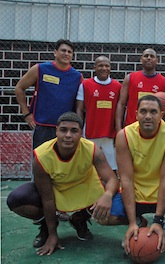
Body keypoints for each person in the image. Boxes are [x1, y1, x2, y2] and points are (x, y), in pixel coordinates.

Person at [6, 112, 120, 256]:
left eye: (74, 131)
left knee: (116, 204)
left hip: (85, 189)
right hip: (56, 192)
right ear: (56, 131)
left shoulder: (92, 150)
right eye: (63, 130)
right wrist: (53, 234)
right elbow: (47, 198)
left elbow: (112, 179)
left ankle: (80, 218)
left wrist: (107, 195)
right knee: (17, 199)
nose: (68, 135)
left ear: (81, 133)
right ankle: (46, 228)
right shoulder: (42, 156)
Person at [114, 95, 165, 255]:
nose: (148, 116)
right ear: (136, 113)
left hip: (162, 192)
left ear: (161, 114)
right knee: (104, 216)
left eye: (153, 112)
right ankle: (138, 223)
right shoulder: (124, 135)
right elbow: (126, 178)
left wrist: (158, 221)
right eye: (143, 111)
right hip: (136, 192)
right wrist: (131, 222)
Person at [15, 39, 83, 150]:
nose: (66, 54)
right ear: (55, 52)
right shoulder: (40, 69)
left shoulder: (77, 77)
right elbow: (19, 88)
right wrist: (26, 114)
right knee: (41, 162)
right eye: (63, 50)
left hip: (66, 128)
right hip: (43, 125)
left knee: (63, 164)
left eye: (69, 52)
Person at [76, 56, 121, 172]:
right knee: (88, 167)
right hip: (90, 133)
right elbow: (80, 109)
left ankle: (112, 190)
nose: (104, 68)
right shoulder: (85, 85)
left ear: (110, 68)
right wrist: (79, 128)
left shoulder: (117, 87)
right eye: (100, 65)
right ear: (94, 67)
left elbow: (120, 110)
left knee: (112, 168)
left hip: (110, 135)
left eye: (107, 66)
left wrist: (118, 131)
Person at [115, 48, 165, 131]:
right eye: (146, 56)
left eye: (152, 56)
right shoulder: (130, 78)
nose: (149, 58)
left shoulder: (164, 82)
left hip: (154, 129)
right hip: (132, 128)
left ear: (157, 60)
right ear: (141, 60)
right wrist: (118, 128)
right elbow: (121, 104)